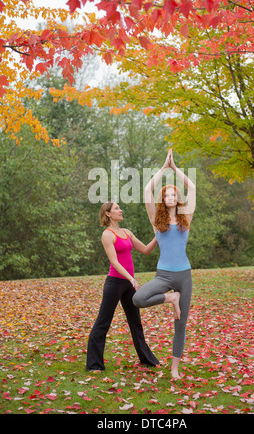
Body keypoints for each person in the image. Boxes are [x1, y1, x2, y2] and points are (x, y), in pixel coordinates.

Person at [133, 149, 196, 379]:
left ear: (177, 198)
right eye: (167, 194)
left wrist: (176, 168)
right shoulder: (155, 220)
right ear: (163, 199)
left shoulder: (185, 216)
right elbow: (147, 190)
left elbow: (193, 189)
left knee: (181, 323)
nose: (170, 197)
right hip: (163, 276)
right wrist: (163, 167)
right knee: (138, 298)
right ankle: (171, 298)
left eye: (173, 194)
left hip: (184, 275)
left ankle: (175, 369)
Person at [86, 201, 159, 371]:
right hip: (115, 283)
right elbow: (114, 261)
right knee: (103, 322)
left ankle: (148, 359)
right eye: (117, 208)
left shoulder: (127, 232)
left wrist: (159, 234)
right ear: (108, 214)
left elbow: (147, 249)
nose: (121, 210)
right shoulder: (107, 234)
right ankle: (94, 365)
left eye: (119, 207)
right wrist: (130, 278)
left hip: (128, 283)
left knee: (136, 322)